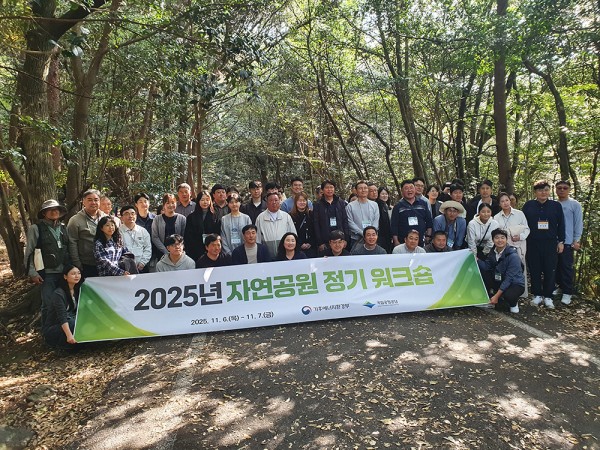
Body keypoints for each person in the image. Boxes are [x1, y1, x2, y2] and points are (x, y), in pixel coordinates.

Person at [522, 180, 565, 309]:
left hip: (550, 243)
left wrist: (561, 241)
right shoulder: (528, 205)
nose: (543, 193)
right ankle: (537, 294)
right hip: (532, 243)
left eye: (546, 190)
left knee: (550, 270)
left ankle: (548, 296)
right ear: (535, 192)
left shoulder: (555, 206)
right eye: (540, 190)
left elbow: (561, 225)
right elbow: (523, 224)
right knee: (534, 269)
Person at [24, 200, 71, 308]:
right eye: (50, 210)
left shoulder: (63, 227)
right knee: (48, 304)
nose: (54, 212)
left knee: (63, 303)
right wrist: (32, 273)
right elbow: (29, 252)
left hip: (64, 272)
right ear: (44, 213)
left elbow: (69, 248)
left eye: (56, 209)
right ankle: (47, 320)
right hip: (46, 273)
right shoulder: (35, 228)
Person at [478, 229, 525, 314]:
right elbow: (486, 267)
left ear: (507, 240)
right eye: (497, 238)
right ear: (493, 240)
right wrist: (477, 259)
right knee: (484, 273)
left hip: (514, 283)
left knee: (509, 295)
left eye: (502, 238)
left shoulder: (513, 256)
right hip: (500, 279)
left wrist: (496, 296)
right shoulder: (493, 252)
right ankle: (488, 297)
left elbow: (509, 279)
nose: (500, 240)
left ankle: (513, 303)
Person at [494, 192, 529, 297]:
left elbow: (527, 229)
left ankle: (521, 293)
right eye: (502, 201)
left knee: (520, 268)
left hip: (519, 245)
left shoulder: (519, 214)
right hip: (504, 247)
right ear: (499, 204)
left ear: (510, 201)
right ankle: (506, 293)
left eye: (507, 200)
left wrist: (520, 236)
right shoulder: (496, 217)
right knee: (506, 270)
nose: (505, 203)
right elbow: (496, 234)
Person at [554, 180, 582, 305]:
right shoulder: (553, 204)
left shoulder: (574, 204)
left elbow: (578, 223)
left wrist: (576, 240)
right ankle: (560, 287)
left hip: (568, 241)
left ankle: (567, 292)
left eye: (565, 188)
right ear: (555, 189)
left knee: (566, 267)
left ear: (569, 190)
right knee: (556, 267)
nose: (562, 190)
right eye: (559, 188)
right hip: (554, 241)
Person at [67, 189, 106, 278]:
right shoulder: (75, 220)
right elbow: (72, 242)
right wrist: (77, 263)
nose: (93, 203)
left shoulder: (106, 218)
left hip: (105, 263)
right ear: (83, 202)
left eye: (96, 200)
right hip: (86, 264)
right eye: (90, 200)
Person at [41, 265, 81, 349]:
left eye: (78, 273)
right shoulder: (59, 294)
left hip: (70, 321)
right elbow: (62, 317)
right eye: (73, 274)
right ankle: (64, 346)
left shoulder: (77, 290)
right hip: (54, 328)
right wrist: (69, 335)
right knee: (73, 323)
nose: (77, 276)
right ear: (65, 276)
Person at [390, 179, 432, 248]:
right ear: (402, 191)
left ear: (414, 189)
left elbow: (429, 221)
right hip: (403, 242)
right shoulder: (398, 206)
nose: (409, 190)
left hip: (420, 241)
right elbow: (394, 225)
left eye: (411, 188)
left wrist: (428, 236)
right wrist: (396, 241)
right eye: (406, 188)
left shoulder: (423, 204)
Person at [313, 180, 349, 255]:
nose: (329, 190)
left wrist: (345, 239)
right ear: (322, 190)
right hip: (325, 240)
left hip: (340, 239)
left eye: (331, 187)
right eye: (327, 188)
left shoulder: (340, 202)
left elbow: (345, 220)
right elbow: (316, 224)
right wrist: (320, 242)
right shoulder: (317, 204)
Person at [255, 192, 296, 259]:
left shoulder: (286, 216)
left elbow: (293, 235)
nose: (274, 202)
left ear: (280, 201)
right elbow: (257, 238)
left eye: (276, 200)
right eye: (271, 200)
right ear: (267, 203)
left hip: (284, 255)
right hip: (267, 255)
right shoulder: (260, 218)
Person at [184, 190, 221, 262]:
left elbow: (218, 232)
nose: (205, 202)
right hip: (196, 248)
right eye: (202, 200)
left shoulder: (215, 215)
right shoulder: (191, 217)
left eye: (207, 200)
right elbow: (188, 236)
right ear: (198, 201)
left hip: (212, 247)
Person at [346, 180, 380, 249]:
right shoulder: (350, 206)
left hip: (372, 238)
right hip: (356, 238)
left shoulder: (374, 205)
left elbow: (376, 220)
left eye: (365, 188)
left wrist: (370, 234)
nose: (363, 190)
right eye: (360, 188)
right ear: (356, 191)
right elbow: (350, 222)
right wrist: (363, 233)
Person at [119, 205, 152, 273]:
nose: (130, 216)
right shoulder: (118, 232)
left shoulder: (143, 231)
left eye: (132, 213)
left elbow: (148, 248)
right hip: (124, 268)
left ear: (136, 216)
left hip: (141, 267)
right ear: (121, 218)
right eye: (127, 214)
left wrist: (142, 263)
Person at [289, 192, 317, 258]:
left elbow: (315, 230)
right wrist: (300, 244)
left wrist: (310, 243)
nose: (302, 202)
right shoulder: (290, 216)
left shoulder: (311, 214)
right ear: (296, 202)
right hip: (297, 248)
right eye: (300, 201)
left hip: (311, 247)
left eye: (304, 200)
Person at [375, 186, 393, 253]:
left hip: (387, 235)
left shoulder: (387, 206)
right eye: (382, 194)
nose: (384, 196)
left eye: (386, 194)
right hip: (382, 235)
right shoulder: (378, 205)